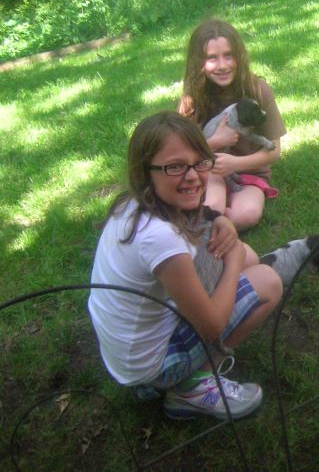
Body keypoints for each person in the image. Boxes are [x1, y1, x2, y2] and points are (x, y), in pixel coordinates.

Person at [88, 111, 283, 420]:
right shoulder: (160, 239)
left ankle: (181, 379)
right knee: (267, 281)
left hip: (125, 352)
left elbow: (199, 211)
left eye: (199, 162)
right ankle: (193, 387)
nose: (192, 176)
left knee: (247, 255)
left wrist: (219, 218)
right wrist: (231, 262)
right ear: (146, 171)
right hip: (149, 365)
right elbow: (212, 326)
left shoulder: (132, 202)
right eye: (175, 167)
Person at [178, 19, 287, 231]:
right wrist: (215, 143)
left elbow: (274, 152)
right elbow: (181, 155)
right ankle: (208, 220)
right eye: (212, 58)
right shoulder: (191, 100)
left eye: (228, 55)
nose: (222, 65)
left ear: (239, 55)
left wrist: (235, 164)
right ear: (198, 62)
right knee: (214, 206)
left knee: (246, 214)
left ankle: (203, 226)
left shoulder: (258, 91)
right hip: (209, 171)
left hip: (248, 173)